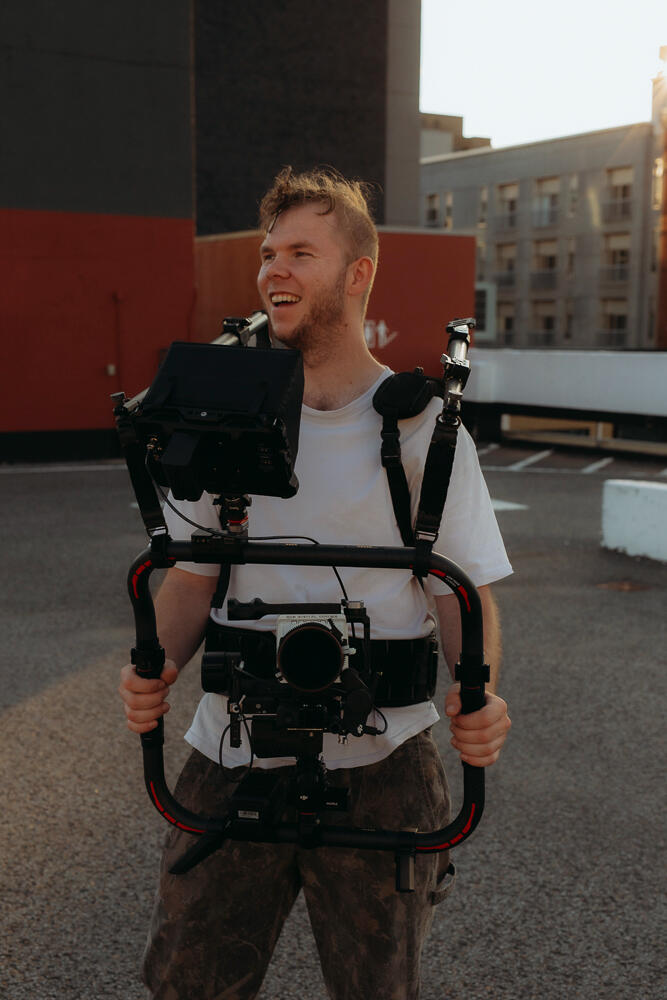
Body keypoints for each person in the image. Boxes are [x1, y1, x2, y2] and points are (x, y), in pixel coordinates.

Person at [119, 166, 512, 1000]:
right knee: (188, 984)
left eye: (301, 253)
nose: (274, 270)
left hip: (383, 759)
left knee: (378, 988)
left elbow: (462, 591)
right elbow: (190, 579)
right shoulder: (223, 419)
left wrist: (478, 697)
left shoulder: (421, 426)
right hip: (232, 747)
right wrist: (154, 667)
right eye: (268, 254)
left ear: (357, 273)